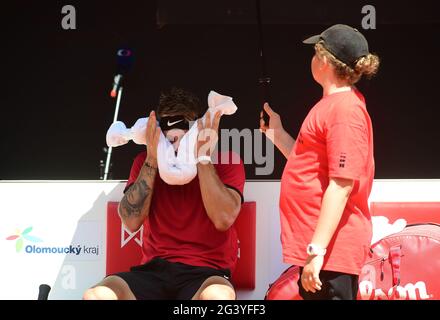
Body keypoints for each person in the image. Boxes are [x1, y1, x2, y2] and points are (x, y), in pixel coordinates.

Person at [84, 87, 245, 300]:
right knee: (97, 295)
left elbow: (223, 219)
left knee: (218, 297)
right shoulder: (145, 161)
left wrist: (202, 157)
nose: (175, 144)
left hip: (205, 272)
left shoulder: (227, 161)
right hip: (154, 271)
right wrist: (152, 158)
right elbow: (131, 221)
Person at [260, 24, 380, 300]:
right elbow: (310, 166)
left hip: (331, 253)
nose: (311, 60)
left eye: (315, 54)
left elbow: (341, 186)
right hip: (321, 250)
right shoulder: (331, 105)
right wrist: (278, 136)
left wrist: (317, 251)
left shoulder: (345, 111)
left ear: (324, 61)